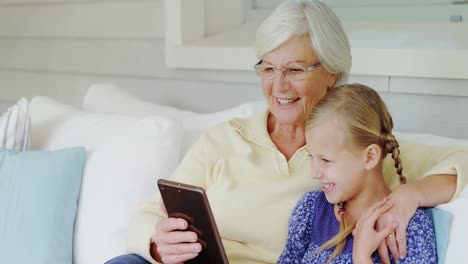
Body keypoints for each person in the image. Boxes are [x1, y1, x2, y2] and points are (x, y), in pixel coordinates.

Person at [106, 1, 467, 263]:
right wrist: (157, 241)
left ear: (334, 75)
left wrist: (411, 195)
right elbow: (147, 214)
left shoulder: (356, 149)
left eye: (295, 69)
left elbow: (460, 160)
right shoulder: (224, 139)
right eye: (268, 68)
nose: (279, 86)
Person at [278, 83, 437, 263]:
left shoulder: (409, 228)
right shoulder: (311, 209)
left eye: (326, 160)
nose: (314, 172)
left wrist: (362, 257)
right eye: (311, 157)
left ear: (369, 157)